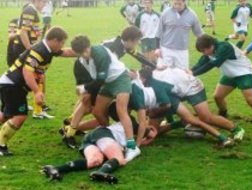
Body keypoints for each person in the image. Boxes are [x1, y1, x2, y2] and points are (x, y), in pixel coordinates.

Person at [0, 27, 75, 156]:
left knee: (6, 114)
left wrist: (84, 52)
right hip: (13, 85)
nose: (62, 45)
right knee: (20, 116)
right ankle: (1, 146)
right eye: (61, 42)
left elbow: (65, 52)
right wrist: (37, 91)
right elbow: (27, 71)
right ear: (55, 40)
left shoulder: (49, 49)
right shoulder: (40, 50)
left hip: (9, 82)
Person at [71, 34, 142, 162]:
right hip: (107, 83)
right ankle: (108, 135)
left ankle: (132, 147)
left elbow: (100, 79)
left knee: (122, 112)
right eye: (82, 53)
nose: (86, 54)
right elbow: (98, 80)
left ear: (89, 46)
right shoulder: (82, 58)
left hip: (120, 79)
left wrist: (84, 88)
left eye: (86, 50)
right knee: (97, 112)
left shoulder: (100, 53)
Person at [192, 35, 252, 135]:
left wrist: (194, 73)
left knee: (251, 101)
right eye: (202, 51)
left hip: (244, 73)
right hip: (230, 74)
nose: (204, 53)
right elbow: (201, 62)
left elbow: (213, 64)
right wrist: (189, 71)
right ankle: (223, 118)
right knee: (218, 97)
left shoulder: (224, 47)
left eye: (204, 50)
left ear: (211, 45)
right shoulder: (208, 51)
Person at [43, 119, 157, 183]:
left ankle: (56, 168)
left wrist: (142, 140)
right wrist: (148, 134)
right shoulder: (130, 125)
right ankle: (102, 172)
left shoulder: (128, 134)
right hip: (104, 134)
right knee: (119, 160)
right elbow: (144, 135)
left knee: (94, 160)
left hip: (91, 138)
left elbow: (135, 142)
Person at [155, 0, 203, 69]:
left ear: (184, 2)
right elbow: (158, 32)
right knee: (164, 74)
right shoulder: (165, 13)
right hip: (166, 49)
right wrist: (157, 48)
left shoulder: (192, 15)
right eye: (175, 3)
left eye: (179, 4)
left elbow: (199, 33)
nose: (177, 6)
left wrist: (207, 44)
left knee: (182, 74)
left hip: (182, 51)